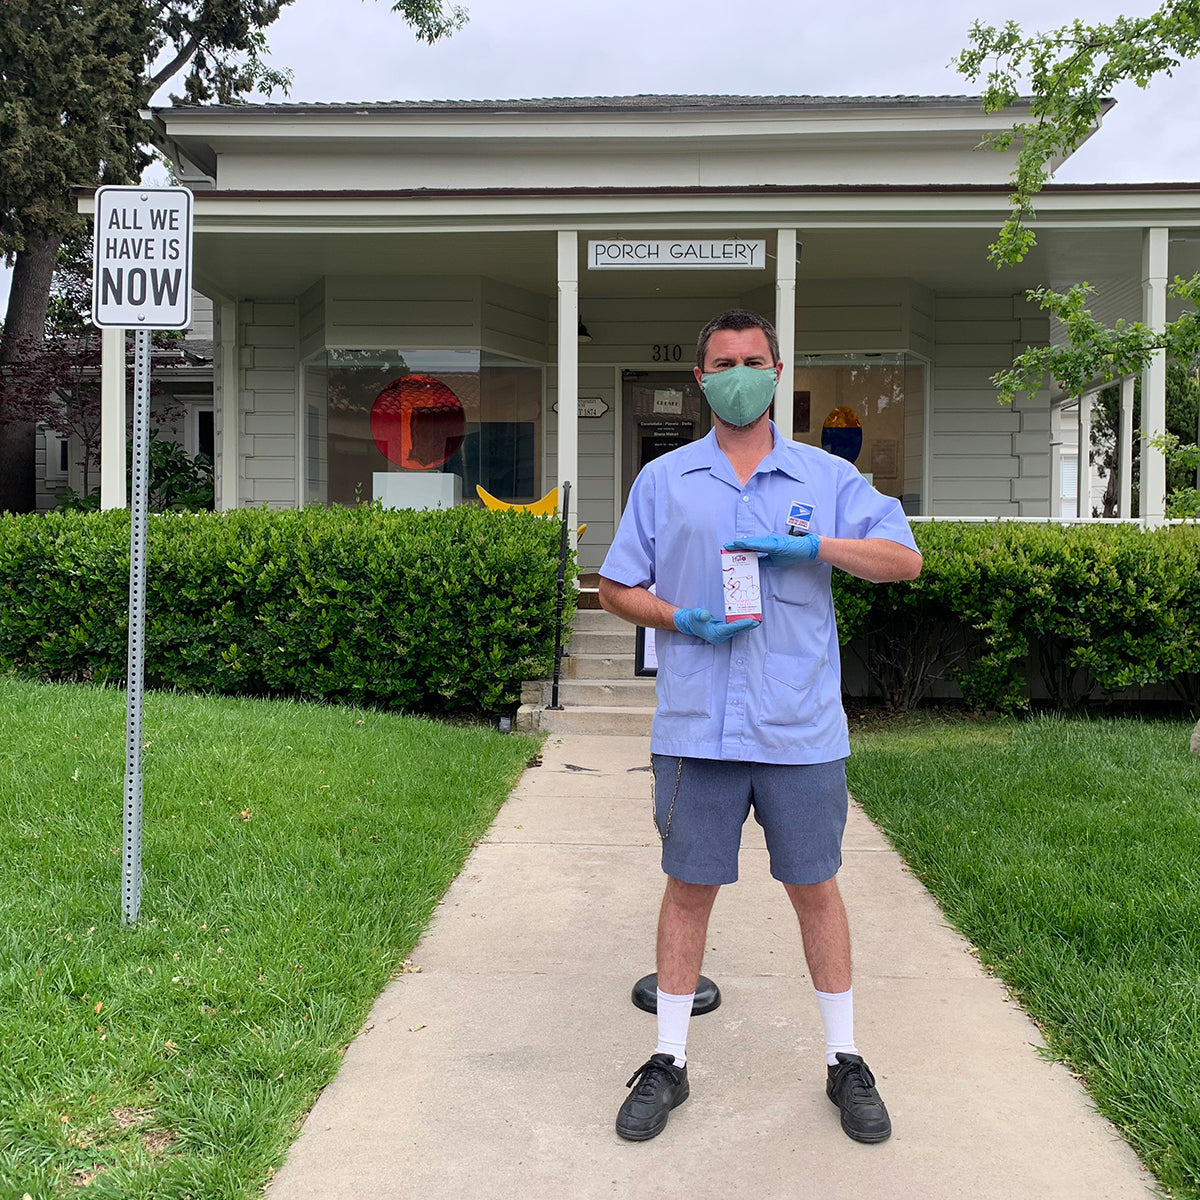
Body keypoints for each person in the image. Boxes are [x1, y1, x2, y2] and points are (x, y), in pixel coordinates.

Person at [598, 308, 922, 1145]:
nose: (738, 372)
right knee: (689, 889)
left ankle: (845, 1059)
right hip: (697, 728)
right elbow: (613, 588)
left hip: (799, 728)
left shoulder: (825, 479)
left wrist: (813, 550)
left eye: (753, 359)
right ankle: (667, 1061)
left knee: (814, 888)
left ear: (778, 371)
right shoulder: (664, 481)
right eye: (722, 362)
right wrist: (678, 617)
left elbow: (903, 559)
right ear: (700, 378)